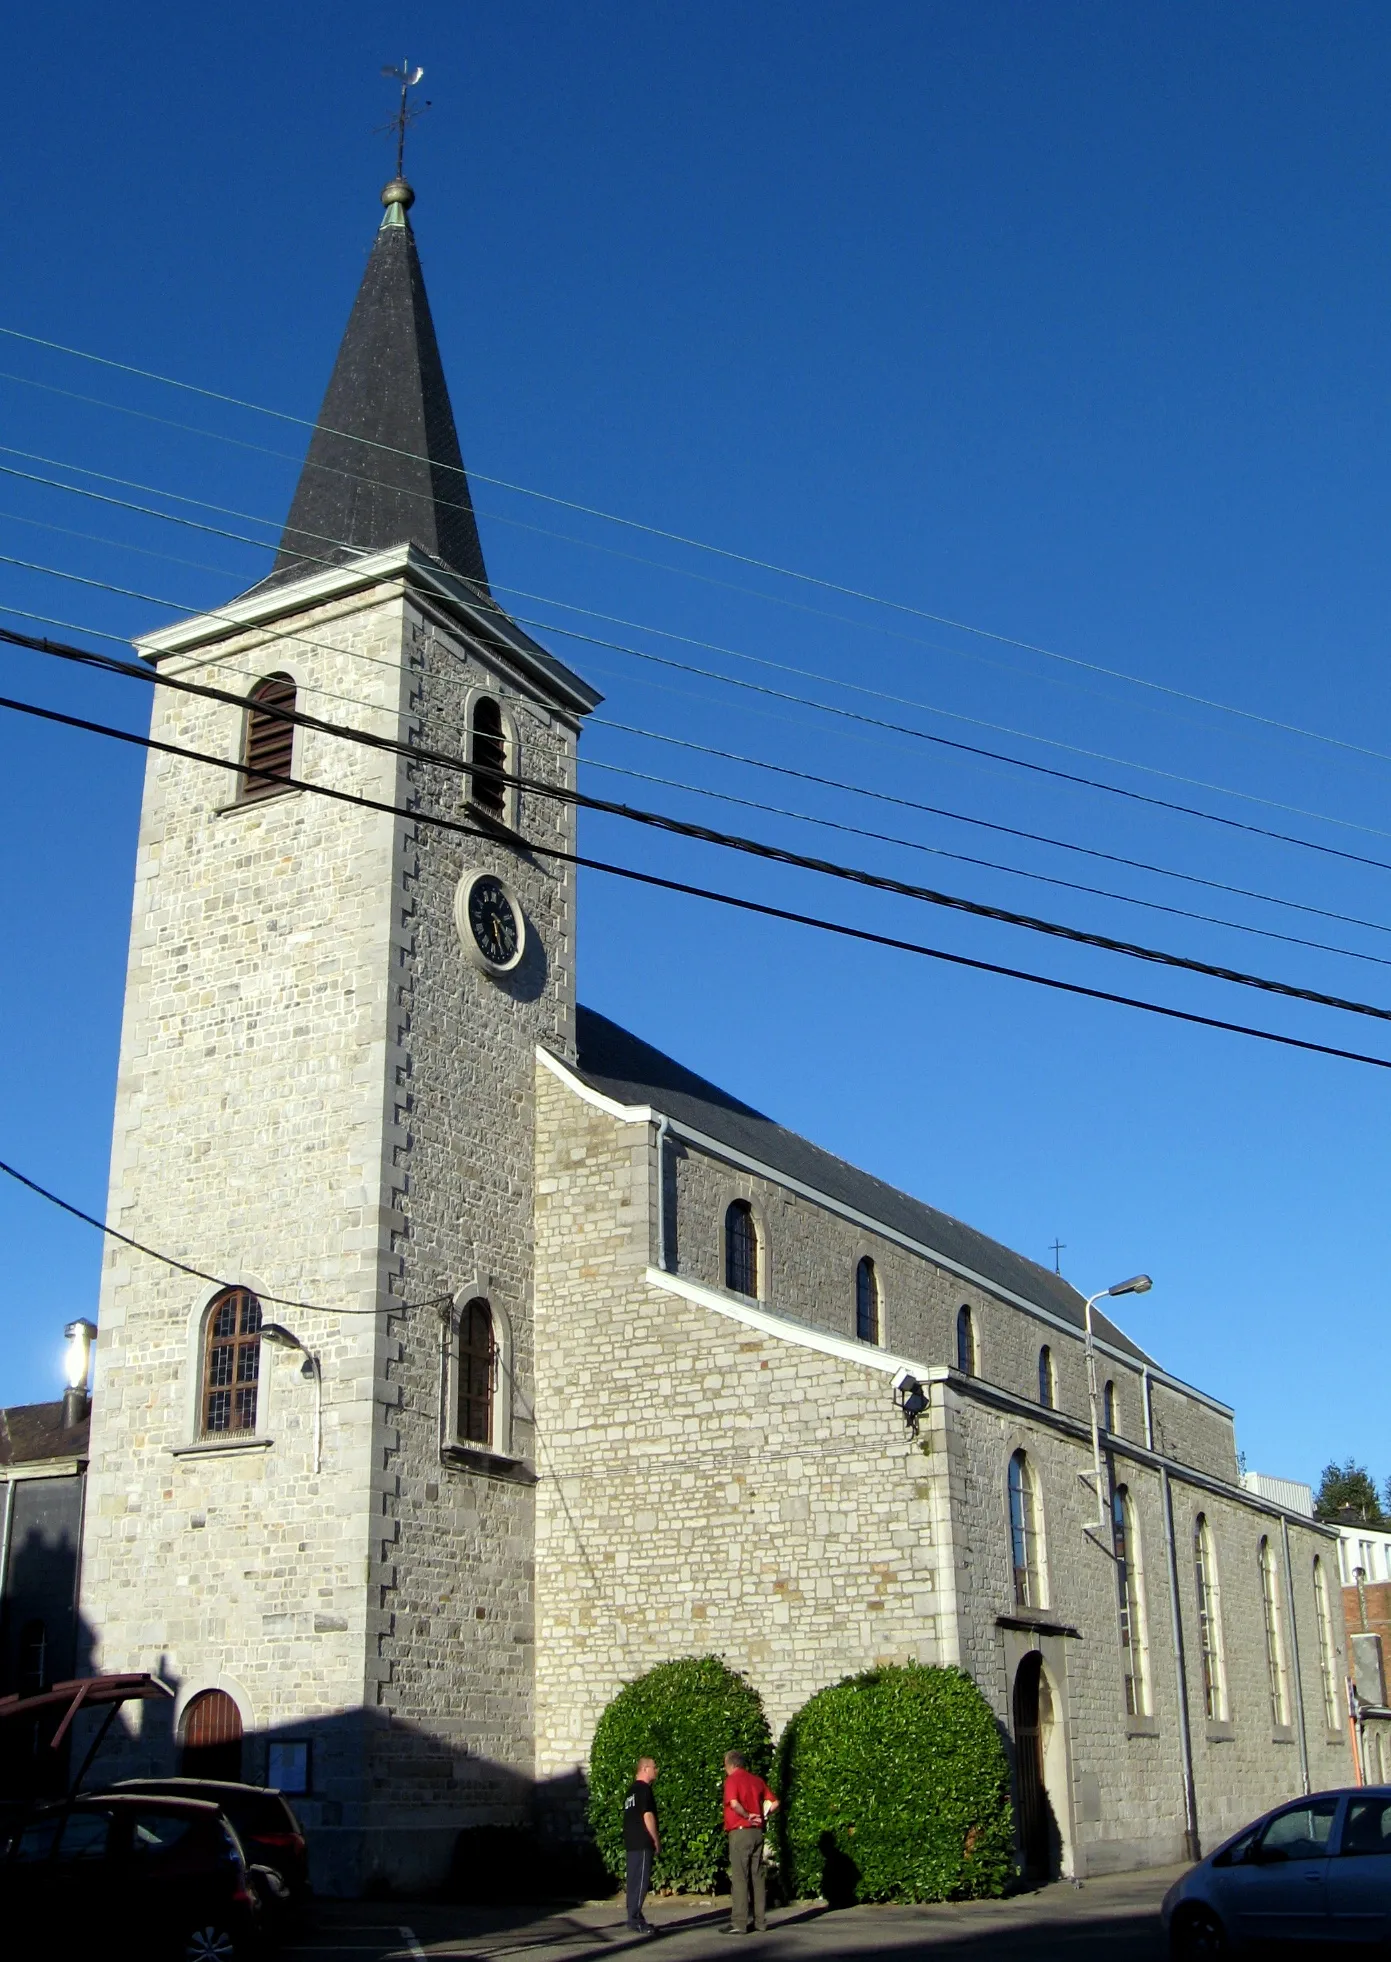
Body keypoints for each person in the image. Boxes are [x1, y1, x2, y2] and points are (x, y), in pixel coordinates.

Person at [720, 1750, 779, 1935]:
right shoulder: (756, 1780)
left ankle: (739, 1922)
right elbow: (775, 1802)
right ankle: (760, 1921)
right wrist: (762, 1816)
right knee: (757, 1876)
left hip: (740, 1831)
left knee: (740, 1876)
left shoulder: (732, 1780)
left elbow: (734, 1803)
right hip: (757, 1833)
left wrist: (747, 1815)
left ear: (730, 1764)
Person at [622, 1756, 660, 1935]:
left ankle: (633, 1915)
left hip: (631, 1843)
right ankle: (635, 1919)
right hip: (642, 1841)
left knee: (633, 1881)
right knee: (641, 1881)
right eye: (654, 1767)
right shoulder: (644, 1790)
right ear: (645, 1768)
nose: (656, 1770)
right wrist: (655, 1839)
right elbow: (647, 1816)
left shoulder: (630, 1791)